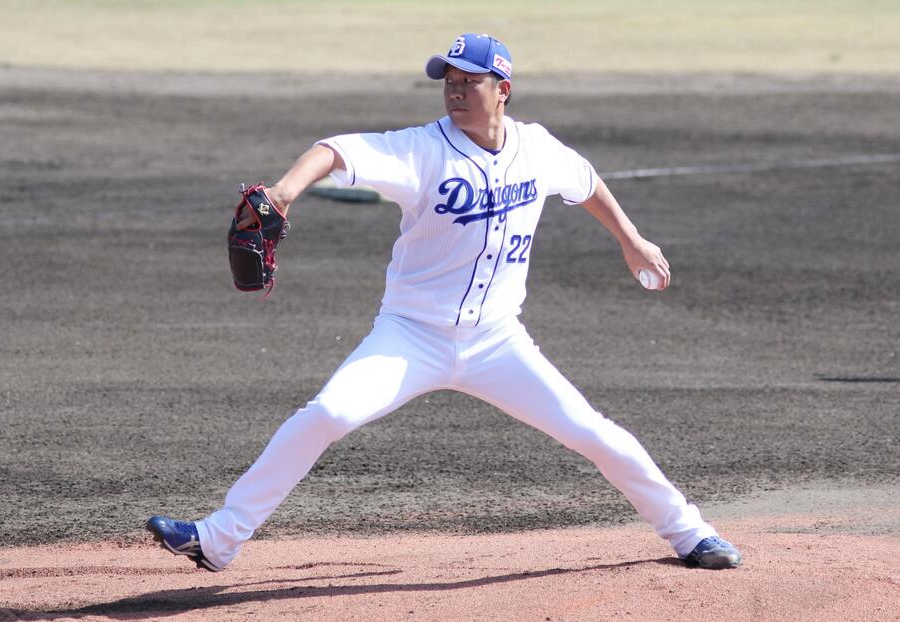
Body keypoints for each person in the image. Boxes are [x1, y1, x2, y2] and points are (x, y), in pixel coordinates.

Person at [147, 33, 742, 571]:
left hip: (498, 342)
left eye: (469, 81)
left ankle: (690, 532)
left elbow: (586, 182)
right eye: (449, 81)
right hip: (411, 336)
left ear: (502, 89)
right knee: (327, 415)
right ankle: (219, 538)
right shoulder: (420, 151)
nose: (454, 90)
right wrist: (282, 192)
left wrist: (631, 242)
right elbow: (333, 150)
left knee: (591, 431)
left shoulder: (536, 148)